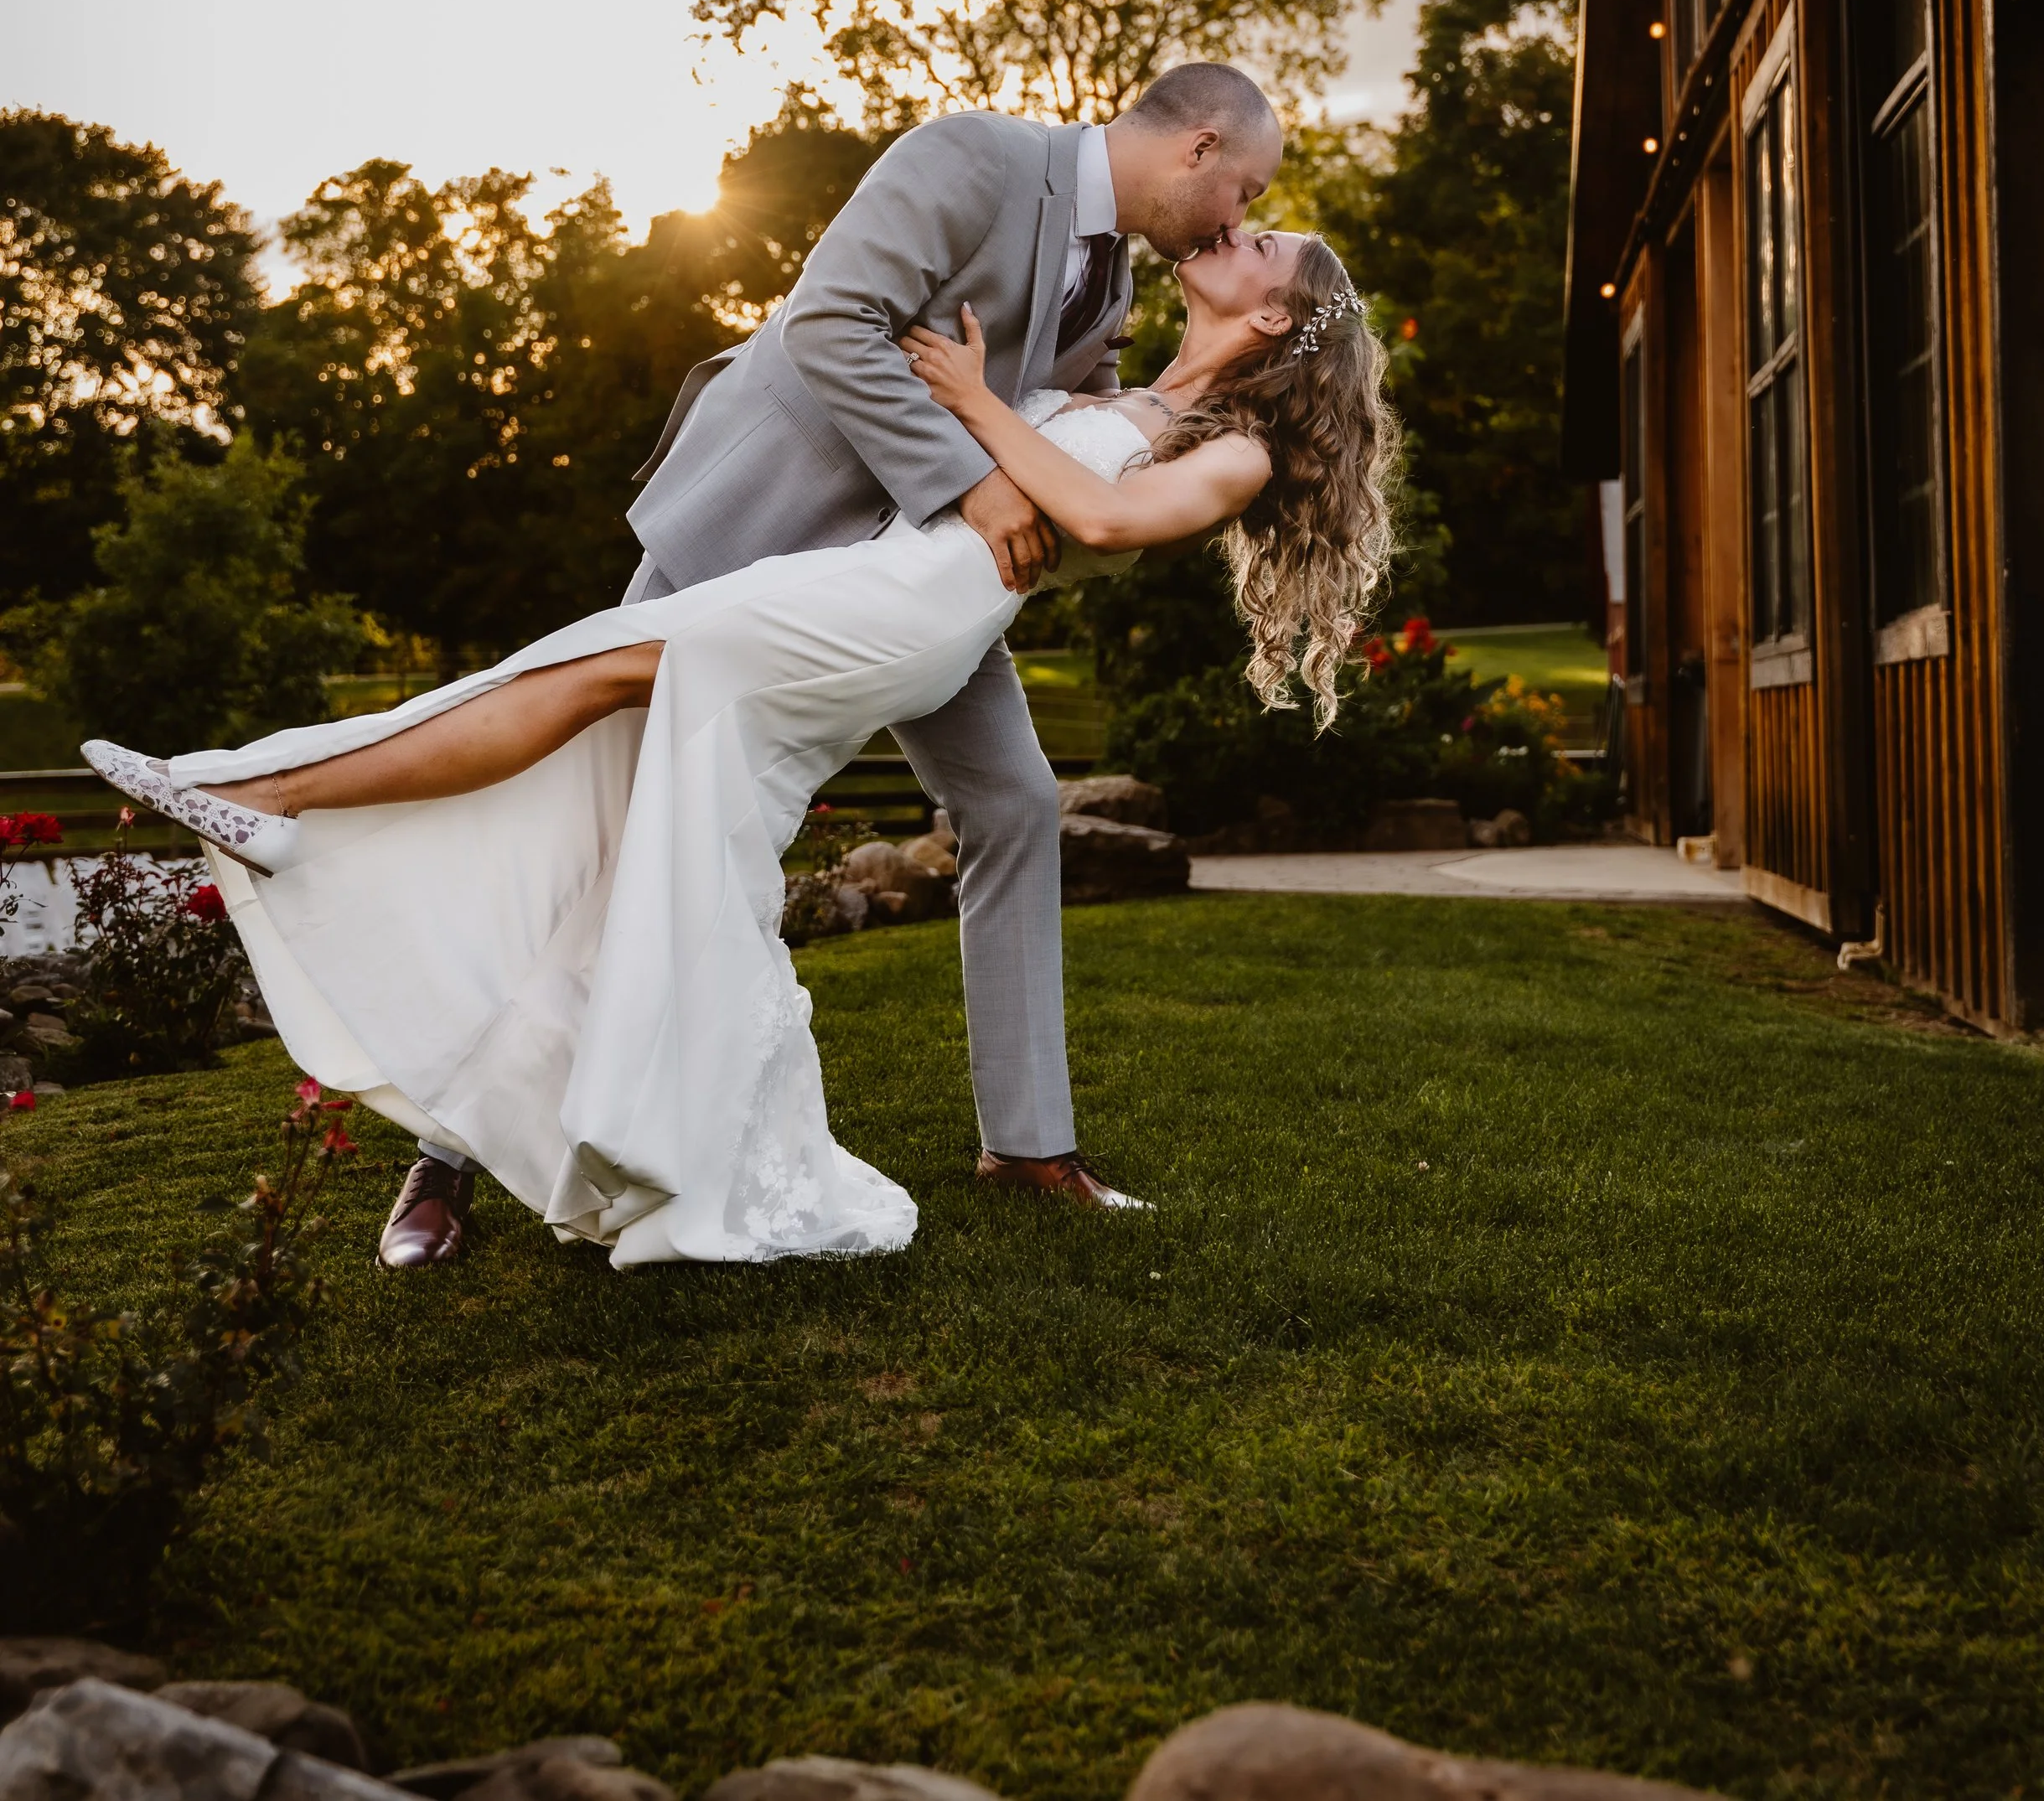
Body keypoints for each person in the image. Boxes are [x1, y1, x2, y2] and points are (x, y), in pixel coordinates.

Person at [82, 111, 1390, 1271]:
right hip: (777, 534)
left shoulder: (1121, 294)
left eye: (1259, 228)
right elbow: (829, 326)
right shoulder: (976, 159)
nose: (1241, 219)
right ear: (1200, 148)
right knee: (600, 811)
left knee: (1015, 804)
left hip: (926, 588)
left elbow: (1087, 460)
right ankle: (454, 1154)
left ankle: (1028, 1144)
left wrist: (1003, 458)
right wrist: (983, 470)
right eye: (1249, 194)